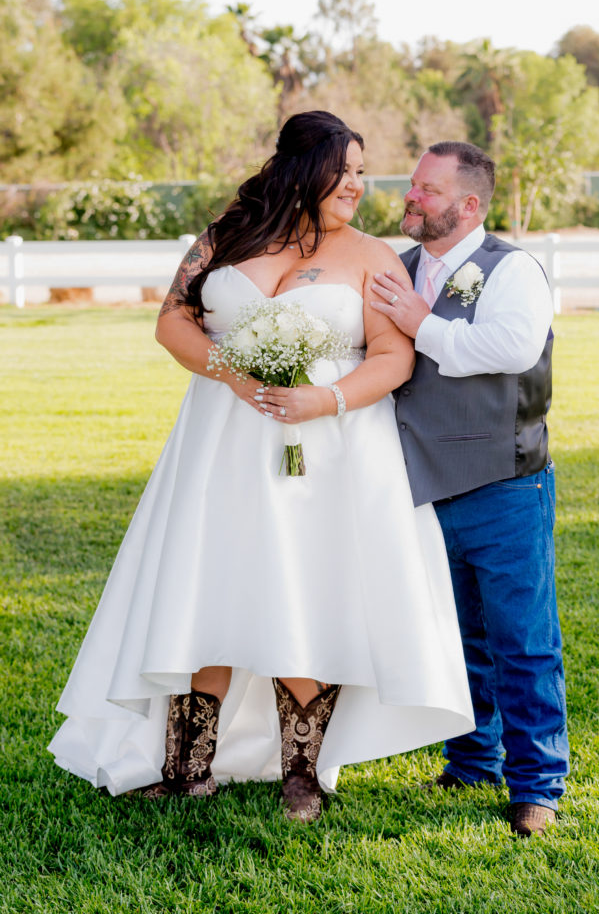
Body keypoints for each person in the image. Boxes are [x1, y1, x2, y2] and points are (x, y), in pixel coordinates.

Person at [49, 112, 474, 823]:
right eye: (347, 171)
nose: (358, 187)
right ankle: (188, 765)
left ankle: (302, 774)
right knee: (207, 578)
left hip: (326, 453)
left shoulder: (372, 255)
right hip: (219, 440)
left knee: (299, 587)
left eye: (363, 174)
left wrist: (324, 399)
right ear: (304, 169)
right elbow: (173, 321)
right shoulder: (227, 235)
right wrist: (234, 376)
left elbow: (394, 358)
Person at [371, 140, 569, 838]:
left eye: (428, 189)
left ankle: (537, 783)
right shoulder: (394, 270)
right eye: (414, 185)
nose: (411, 196)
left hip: (503, 483)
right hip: (419, 487)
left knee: (522, 640)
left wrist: (418, 324)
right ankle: (472, 760)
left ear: (469, 204)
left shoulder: (511, 271)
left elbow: (511, 349)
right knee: (457, 638)